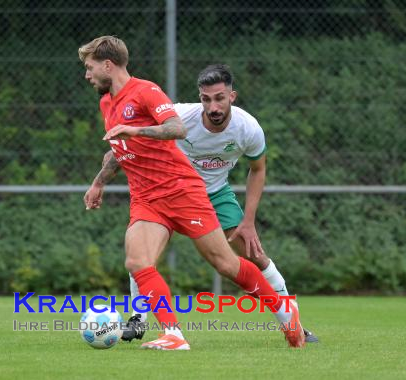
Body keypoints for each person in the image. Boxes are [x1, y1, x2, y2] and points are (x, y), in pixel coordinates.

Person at [79, 36, 305, 350]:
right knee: (137, 261)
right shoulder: (109, 103)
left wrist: (136, 129)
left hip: (181, 190)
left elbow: (176, 129)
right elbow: (118, 149)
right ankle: (173, 334)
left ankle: (285, 312)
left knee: (227, 264)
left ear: (108, 65)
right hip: (147, 197)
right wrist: (99, 182)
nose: (87, 75)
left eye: (89, 67)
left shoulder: (145, 91)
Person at [122, 64, 318, 343]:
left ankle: (293, 321)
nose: (212, 106)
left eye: (219, 98)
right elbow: (134, 139)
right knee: (140, 253)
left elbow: (258, 169)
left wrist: (248, 221)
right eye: (206, 99)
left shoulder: (248, 128)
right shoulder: (179, 117)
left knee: (253, 255)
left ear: (232, 96)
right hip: (169, 192)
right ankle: (138, 319)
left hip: (214, 195)